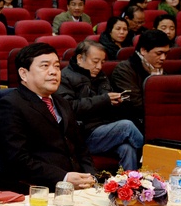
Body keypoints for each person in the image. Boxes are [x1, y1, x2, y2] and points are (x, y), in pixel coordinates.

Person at [0, 43, 96, 193]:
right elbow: (17, 160)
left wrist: (90, 176)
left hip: (76, 188)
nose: (54, 72)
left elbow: (81, 148)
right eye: (45, 66)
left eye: (57, 66)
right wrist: (64, 178)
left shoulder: (62, 102)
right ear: (23, 74)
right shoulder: (10, 105)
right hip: (35, 190)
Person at [57, 40, 144, 172]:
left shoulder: (100, 76)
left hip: (104, 128)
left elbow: (105, 103)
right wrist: (104, 100)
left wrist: (116, 102)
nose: (99, 66)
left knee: (127, 148)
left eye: (102, 62)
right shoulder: (64, 77)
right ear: (80, 58)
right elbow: (69, 107)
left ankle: (131, 181)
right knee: (127, 127)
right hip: (82, 135)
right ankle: (153, 159)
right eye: (95, 61)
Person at [110, 28, 169, 131]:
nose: (163, 58)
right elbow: (135, 104)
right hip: (136, 122)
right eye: (159, 53)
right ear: (143, 51)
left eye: (166, 53)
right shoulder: (123, 70)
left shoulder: (160, 70)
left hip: (161, 118)